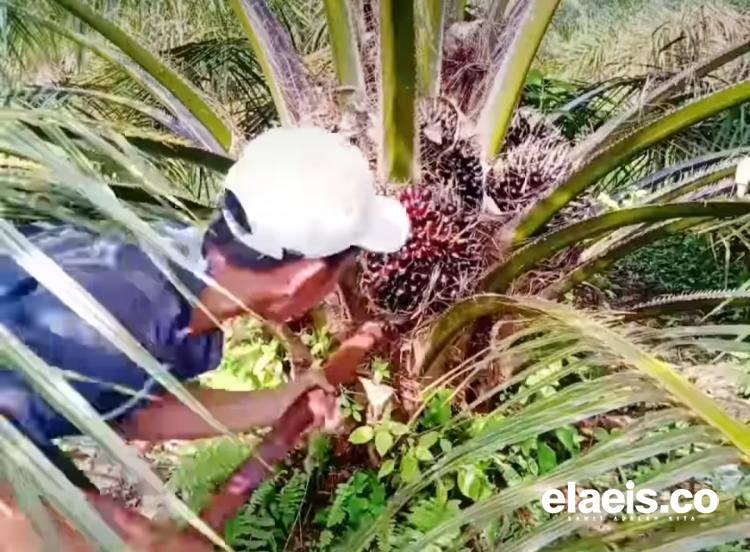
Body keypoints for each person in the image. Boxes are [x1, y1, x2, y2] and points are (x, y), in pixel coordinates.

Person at [0, 127, 410, 551]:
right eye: (339, 274)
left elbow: (129, 405)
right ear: (307, 278)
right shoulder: (114, 314)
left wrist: (278, 401)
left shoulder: (175, 273)